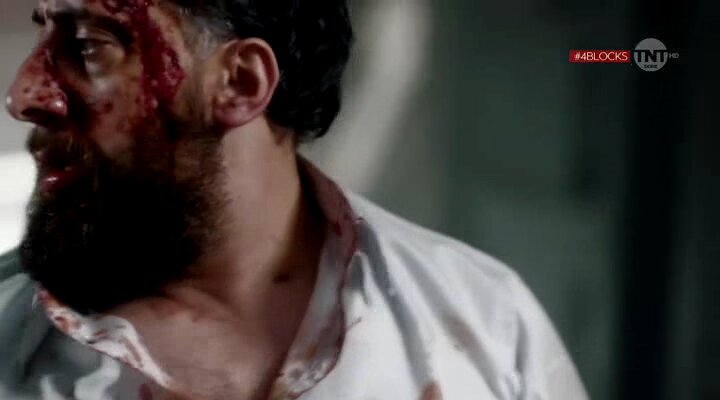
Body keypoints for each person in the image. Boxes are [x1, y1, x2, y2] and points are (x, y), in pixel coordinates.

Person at [0, 0, 589, 399]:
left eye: (88, 47)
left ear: (240, 83)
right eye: (43, 37)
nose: (23, 95)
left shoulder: (486, 322)